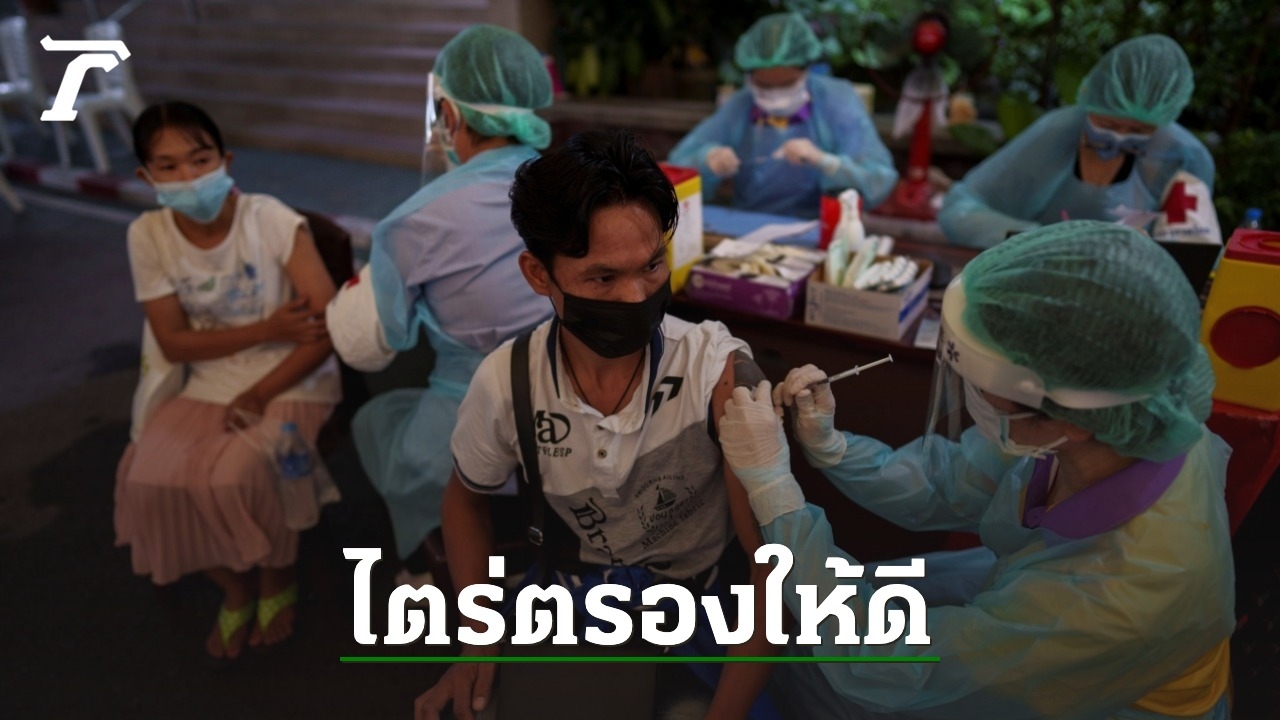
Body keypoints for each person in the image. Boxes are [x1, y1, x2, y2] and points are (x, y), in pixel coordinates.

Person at [717, 220, 1235, 718]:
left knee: (815, 656)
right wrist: (832, 446)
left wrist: (773, 489)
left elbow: (890, 663)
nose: (974, 395)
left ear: (1068, 418)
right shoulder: (1118, 420)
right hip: (1036, 586)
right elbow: (951, 482)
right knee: (838, 596)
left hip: (1097, 693)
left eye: (985, 383)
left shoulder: (1116, 598)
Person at [414, 130, 778, 720]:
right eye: (603, 279)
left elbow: (772, 572)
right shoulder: (509, 382)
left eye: (652, 266)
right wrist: (478, 638)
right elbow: (463, 501)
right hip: (570, 602)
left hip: (700, 611)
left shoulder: (716, 375)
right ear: (539, 275)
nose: (635, 297)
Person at [327, 24, 555, 581]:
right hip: (582, 415)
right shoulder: (576, 187)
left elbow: (367, 348)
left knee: (378, 422)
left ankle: (435, 563)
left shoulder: (413, 220)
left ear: (448, 115)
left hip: (472, 421)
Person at [116, 102, 341, 666]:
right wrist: (268, 328)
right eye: (168, 166)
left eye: (200, 159)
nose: (189, 177)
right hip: (208, 379)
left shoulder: (271, 221)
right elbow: (174, 343)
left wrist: (261, 391)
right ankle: (235, 584)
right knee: (146, 481)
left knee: (236, 474)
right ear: (146, 176)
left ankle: (276, 573)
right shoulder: (148, 235)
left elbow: (325, 328)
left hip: (293, 375)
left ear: (226, 160)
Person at [939, 34, 1216, 249]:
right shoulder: (1058, 132)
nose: (1118, 137)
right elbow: (960, 210)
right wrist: (1043, 241)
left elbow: (1194, 251)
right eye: (1107, 124)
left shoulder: (1183, 156)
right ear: (1091, 104)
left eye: (1138, 130)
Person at [667, 12, 897, 219]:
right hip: (749, 224)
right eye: (764, 86)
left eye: (787, 84)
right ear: (749, 77)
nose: (775, 95)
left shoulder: (837, 101)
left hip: (821, 226)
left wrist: (826, 162)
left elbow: (879, 181)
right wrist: (707, 160)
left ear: (806, 70)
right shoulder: (741, 104)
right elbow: (676, 167)